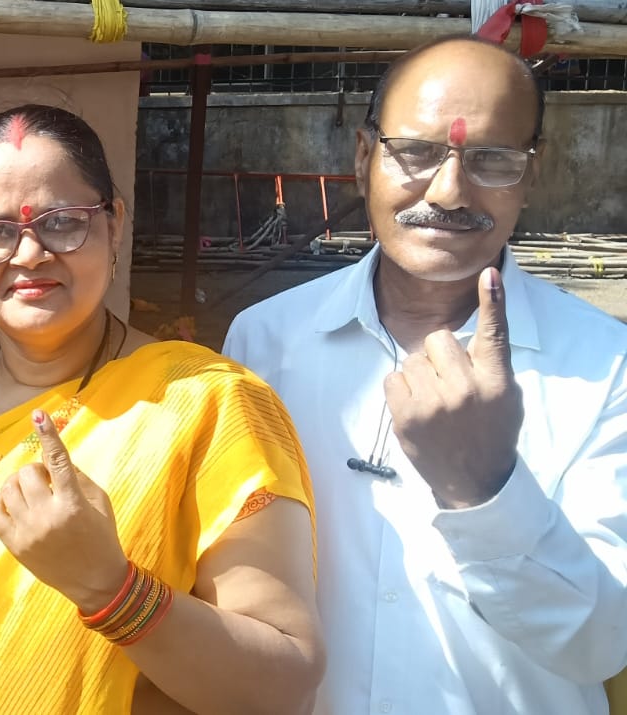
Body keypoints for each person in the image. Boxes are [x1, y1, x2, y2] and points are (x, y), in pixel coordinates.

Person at [0, 104, 324, 714]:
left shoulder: (210, 402)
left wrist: (110, 589)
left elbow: (284, 685)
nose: (29, 254)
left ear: (115, 225)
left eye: (62, 223)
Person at [224, 36, 627, 714]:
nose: (448, 191)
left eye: (492, 160)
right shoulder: (264, 342)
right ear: (363, 158)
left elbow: (603, 644)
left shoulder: (607, 365)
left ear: (532, 174)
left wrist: (485, 487)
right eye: (415, 152)